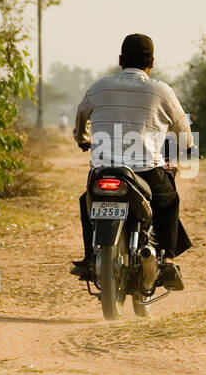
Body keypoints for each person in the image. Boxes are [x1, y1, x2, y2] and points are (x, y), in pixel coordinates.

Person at [70, 33, 193, 289]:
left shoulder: (99, 87)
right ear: (152, 63)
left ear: (120, 60)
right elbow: (184, 132)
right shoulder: (161, 90)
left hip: (104, 171)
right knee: (169, 202)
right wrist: (187, 147)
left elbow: (81, 118)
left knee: (87, 203)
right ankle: (168, 259)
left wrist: (83, 139)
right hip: (146, 170)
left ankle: (90, 257)